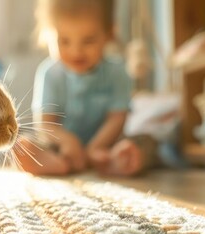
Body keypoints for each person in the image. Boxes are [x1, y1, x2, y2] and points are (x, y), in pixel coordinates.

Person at [15, 0, 149, 176]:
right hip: (60, 147)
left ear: (109, 34)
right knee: (21, 145)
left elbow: (117, 118)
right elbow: (46, 124)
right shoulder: (50, 73)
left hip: (106, 146)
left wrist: (96, 147)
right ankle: (59, 163)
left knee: (147, 142)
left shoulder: (118, 72)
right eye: (64, 41)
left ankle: (115, 161)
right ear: (47, 36)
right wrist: (68, 142)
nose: (76, 51)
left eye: (88, 40)